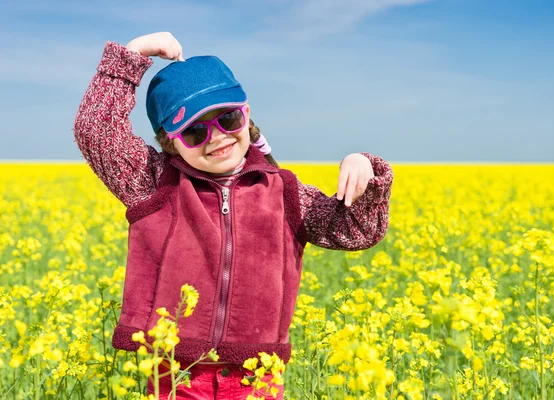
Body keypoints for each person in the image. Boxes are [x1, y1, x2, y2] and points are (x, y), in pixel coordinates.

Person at [73, 31, 393, 399]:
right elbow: (96, 132)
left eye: (228, 119)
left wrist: (366, 170)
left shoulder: (285, 192)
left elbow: (356, 231)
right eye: (194, 131)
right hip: (175, 372)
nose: (217, 137)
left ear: (247, 114)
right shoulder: (155, 182)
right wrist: (131, 57)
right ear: (169, 142)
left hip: (256, 374)